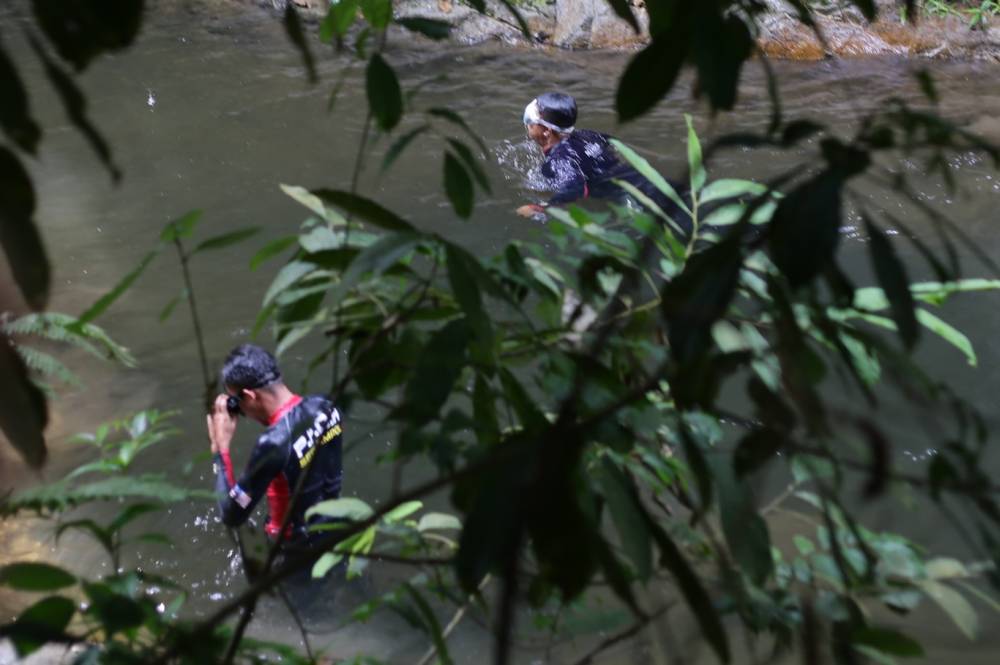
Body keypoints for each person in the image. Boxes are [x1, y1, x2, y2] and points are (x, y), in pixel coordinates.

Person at [206, 344, 344, 544]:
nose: (240, 412)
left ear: (251, 396)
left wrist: (219, 450)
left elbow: (231, 515)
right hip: (338, 531)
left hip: (294, 551)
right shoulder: (327, 406)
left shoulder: (273, 444)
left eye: (237, 403)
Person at [515, 92, 692, 237]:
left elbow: (576, 189)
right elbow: (615, 143)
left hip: (638, 198)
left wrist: (541, 207)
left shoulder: (557, 162)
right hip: (647, 180)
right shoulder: (587, 135)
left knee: (682, 231)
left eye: (531, 121)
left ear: (546, 131)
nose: (527, 124)